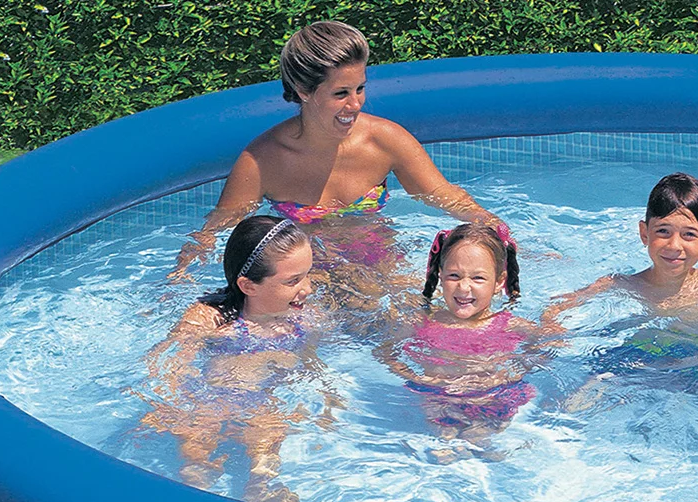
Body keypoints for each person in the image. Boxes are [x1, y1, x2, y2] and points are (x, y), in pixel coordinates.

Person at [169, 21, 506, 309]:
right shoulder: (262, 161)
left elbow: (442, 195)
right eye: (340, 93)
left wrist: (492, 226)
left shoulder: (384, 140)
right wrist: (180, 274)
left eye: (360, 88)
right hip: (308, 279)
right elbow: (214, 230)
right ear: (303, 90)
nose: (355, 103)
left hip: (382, 266)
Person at [139, 216, 344, 502]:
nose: (308, 289)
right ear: (248, 285)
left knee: (268, 437)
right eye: (293, 281)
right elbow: (167, 363)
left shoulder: (306, 317)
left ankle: (260, 490)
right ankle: (190, 497)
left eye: (307, 275)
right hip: (210, 400)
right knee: (198, 441)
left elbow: (312, 362)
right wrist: (174, 402)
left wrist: (325, 395)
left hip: (263, 404)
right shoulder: (211, 318)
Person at [539, 173, 698, 407]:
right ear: (644, 233)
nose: (674, 245)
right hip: (642, 354)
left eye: (689, 234)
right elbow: (558, 307)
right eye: (663, 231)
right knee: (578, 394)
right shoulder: (621, 283)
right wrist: (551, 327)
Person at [374, 223, 542, 464]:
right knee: (443, 445)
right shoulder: (421, 322)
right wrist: (418, 378)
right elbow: (384, 353)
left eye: (478, 278)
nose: (464, 288)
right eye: (454, 276)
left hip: (492, 399)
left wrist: (507, 376)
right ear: (440, 275)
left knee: (481, 441)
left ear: (499, 282)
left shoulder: (512, 325)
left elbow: (542, 352)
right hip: (438, 398)